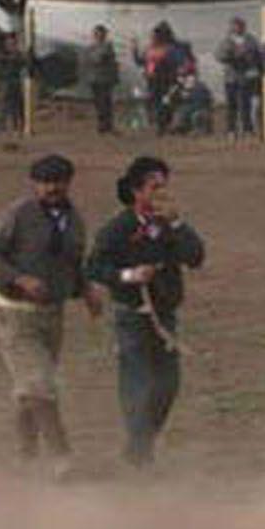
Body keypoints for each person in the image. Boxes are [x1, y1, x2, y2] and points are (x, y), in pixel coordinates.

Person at [0, 155, 103, 478]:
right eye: (46, 182)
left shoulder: (74, 219)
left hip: (53, 315)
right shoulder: (17, 215)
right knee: (39, 385)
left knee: (30, 391)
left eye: (59, 181)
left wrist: (86, 290)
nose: (52, 188)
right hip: (15, 314)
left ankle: (25, 457)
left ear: (68, 183)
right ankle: (62, 457)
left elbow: (73, 262)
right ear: (34, 184)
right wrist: (19, 279)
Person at [85, 157, 205, 469]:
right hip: (131, 315)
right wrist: (128, 276)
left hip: (164, 315)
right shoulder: (118, 228)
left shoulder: (169, 225)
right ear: (137, 191)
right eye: (155, 187)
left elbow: (195, 257)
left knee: (168, 384)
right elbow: (94, 266)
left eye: (165, 186)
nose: (162, 193)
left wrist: (178, 224)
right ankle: (140, 453)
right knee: (138, 383)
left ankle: (141, 443)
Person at [214, 17, 261, 138]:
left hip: (246, 76)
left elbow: (257, 54)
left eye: (240, 26)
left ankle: (247, 128)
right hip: (231, 77)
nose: (238, 28)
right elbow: (219, 55)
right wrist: (231, 56)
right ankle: (231, 129)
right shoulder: (227, 41)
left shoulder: (250, 40)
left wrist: (251, 62)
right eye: (235, 26)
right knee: (231, 105)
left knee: (246, 104)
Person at [80, 25, 120, 134]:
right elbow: (86, 60)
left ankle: (107, 125)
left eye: (100, 33)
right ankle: (102, 124)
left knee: (105, 102)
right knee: (99, 103)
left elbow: (99, 59)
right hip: (95, 78)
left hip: (105, 79)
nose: (98, 36)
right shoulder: (91, 48)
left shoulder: (107, 47)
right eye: (96, 33)